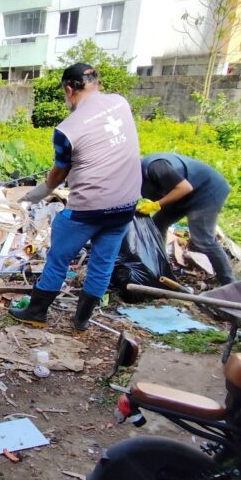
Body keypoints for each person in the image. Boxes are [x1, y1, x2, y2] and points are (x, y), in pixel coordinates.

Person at [10, 63, 142, 331]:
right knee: (103, 262)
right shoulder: (120, 103)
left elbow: (59, 173)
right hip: (127, 204)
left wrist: (39, 192)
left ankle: (36, 311)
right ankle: (81, 319)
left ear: (69, 89)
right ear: (97, 82)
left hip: (89, 208)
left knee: (59, 256)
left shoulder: (67, 129)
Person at [138, 152, 235, 285]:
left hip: (205, 191)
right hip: (181, 196)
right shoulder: (135, 178)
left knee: (203, 240)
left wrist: (156, 205)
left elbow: (184, 188)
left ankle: (229, 282)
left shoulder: (156, 166)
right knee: (156, 225)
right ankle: (161, 268)